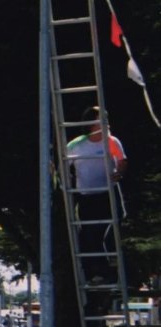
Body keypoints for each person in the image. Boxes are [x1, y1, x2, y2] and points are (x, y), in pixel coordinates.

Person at [67, 106, 128, 284]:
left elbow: (122, 160)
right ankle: (98, 273)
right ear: (91, 123)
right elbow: (64, 166)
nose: (106, 123)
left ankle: (107, 271)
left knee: (109, 230)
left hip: (108, 193)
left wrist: (120, 173)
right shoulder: (76, 145)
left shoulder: (111, 141)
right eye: (102, 119)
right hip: (87, 196)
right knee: (88, 235)